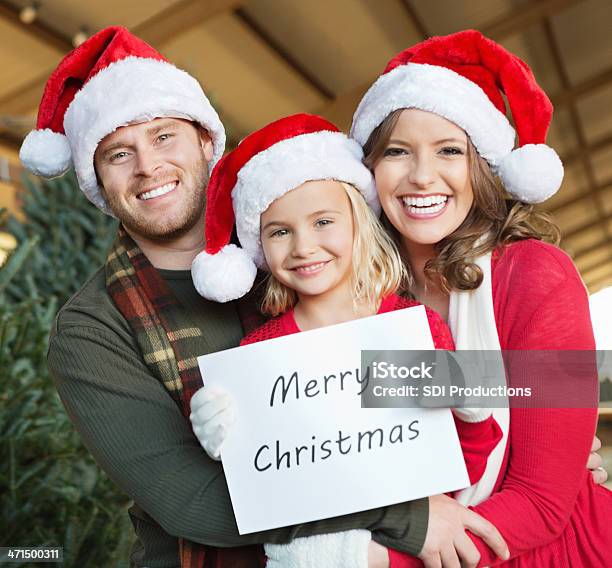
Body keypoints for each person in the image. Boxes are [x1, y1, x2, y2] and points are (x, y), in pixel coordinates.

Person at [19, 26, 509, 568]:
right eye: (117, 154)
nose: (147, 167)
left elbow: (455, 364)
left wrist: (553, 434)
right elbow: (190, 500)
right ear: (97, 179)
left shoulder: (302, 253)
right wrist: (403, 518)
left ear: (206, 141)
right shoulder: (93, 329)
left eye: (164, 137)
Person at [188, 112, 504, 567]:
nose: (303, 247)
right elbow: (273, 489)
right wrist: (226, 445)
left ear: (359, 223)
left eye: (322, 222)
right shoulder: (258, 357)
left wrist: (471, 415)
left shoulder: (413, 327)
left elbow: (463, 469)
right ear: (259, 247)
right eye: (280, 232)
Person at [349, 29, 612, 566]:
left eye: (451, 151)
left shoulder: (537, 275)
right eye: (397, 151)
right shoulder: (356, 295)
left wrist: (370, 559)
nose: (423, 176)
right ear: (370, 171)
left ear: (484, 170)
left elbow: (541, 501)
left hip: (544, 549)